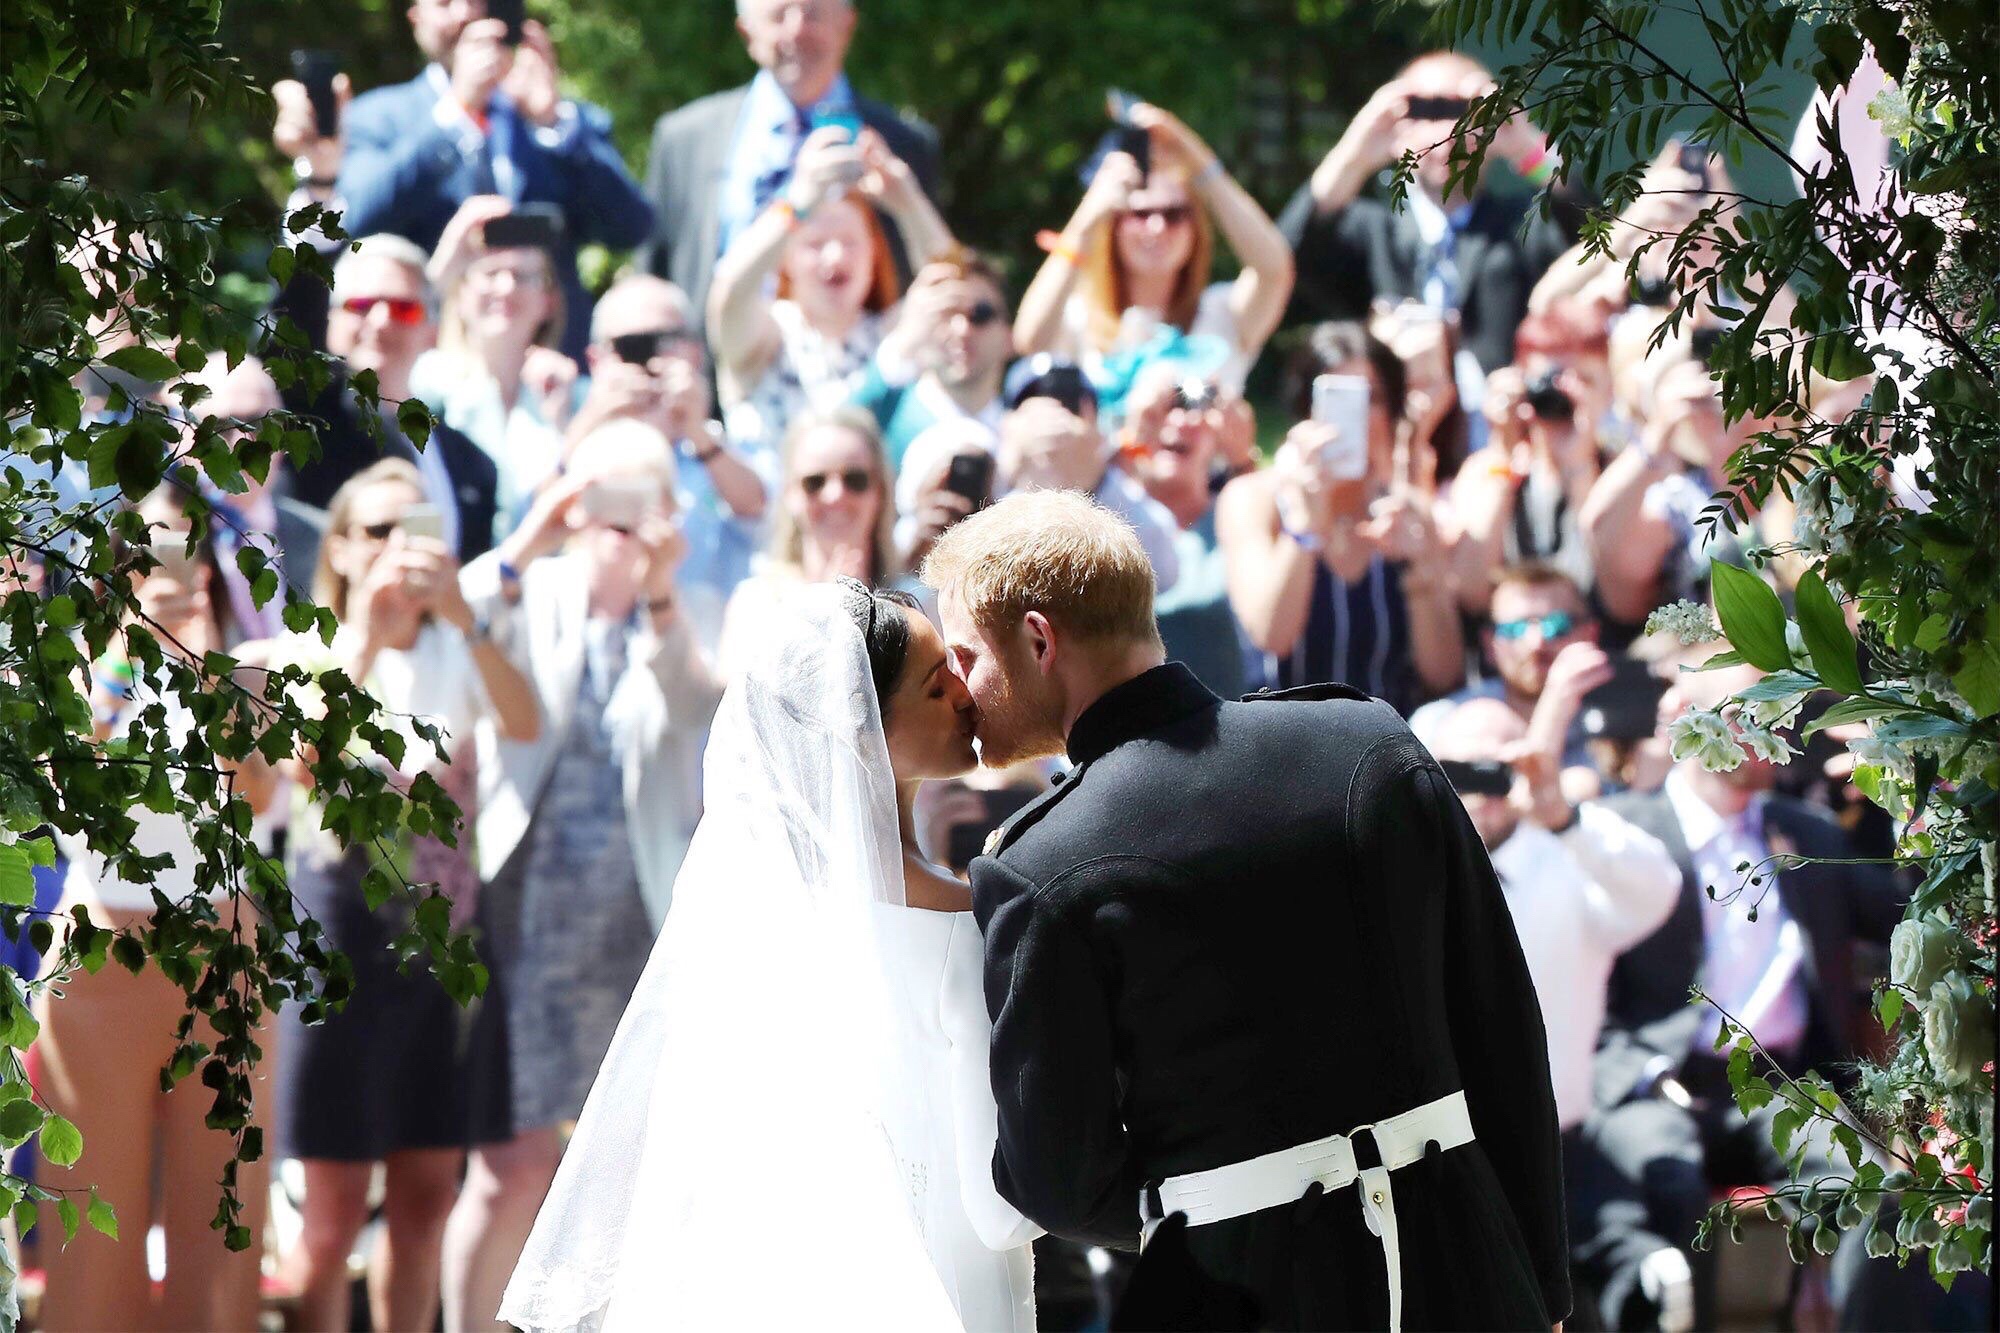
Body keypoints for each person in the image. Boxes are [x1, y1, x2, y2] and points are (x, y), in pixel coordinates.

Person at [921, 491, 1569, 1331]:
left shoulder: (1038, 863)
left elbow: (1059, 1178)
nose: (961, 689)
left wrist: (1216, 1200)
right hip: (1470, 1269)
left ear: (1040, 641)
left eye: (967, 656)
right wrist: (1543, 1284)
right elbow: (1503, 1026)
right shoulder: (1367, 741)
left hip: (1246, 1290)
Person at [499, 580, 1037, 1331]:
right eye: (934, 681)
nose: (963, 691)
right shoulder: (962, 923)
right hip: (946, 1287)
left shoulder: (747, 919)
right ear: (860, 726)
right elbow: (1002, 1207)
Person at [441, 421, 725, 1329]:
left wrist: (660, 594)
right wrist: (533, 534)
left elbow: (695, 704)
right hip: (523, 908)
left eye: (640, 500)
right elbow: (455, 615)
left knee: (627, 1167)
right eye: (603, 498)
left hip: (637, 917)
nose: (619, 522)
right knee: (510, 1164)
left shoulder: (686, 601)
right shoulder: (536, 586)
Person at [262, 458, 538, 1333]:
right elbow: (299, 763)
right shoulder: (314, 647)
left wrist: (464, 615)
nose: (399, 548)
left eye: (416, 529)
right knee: (331, 1213)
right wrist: (370, 637)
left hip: (446, 949)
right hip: (339, 943)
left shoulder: (459, 642)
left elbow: (525, 722)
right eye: (378, 530)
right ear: (340, 547)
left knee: (425, 1202)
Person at [1592, 642, 1907, 1328]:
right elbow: (1579, 989)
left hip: (1782, 1089)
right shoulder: (1619, 834)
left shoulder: (1809, 836)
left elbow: (1908, 917)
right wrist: (1635, 1074)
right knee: (1664, 1188)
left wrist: (1905, 798)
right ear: (1686, 716)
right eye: (1750, 713)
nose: (1774, 730)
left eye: (1781, 713)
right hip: (1661, 1085)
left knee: (1871, 1191)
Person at [35, 483, 276, 1332]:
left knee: (222, 1233)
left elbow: (257, 796)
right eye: (144, 551)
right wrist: (125, 657)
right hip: (104, 956)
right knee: (92, 1233)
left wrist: (206, 677)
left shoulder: (242, 672)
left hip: (225, 957)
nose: (164, 568)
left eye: (181, 548)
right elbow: (68, 784)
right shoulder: (68, 666)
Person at [1430, 698, 1692, 1332]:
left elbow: (1657, 889)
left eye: (1496, 771)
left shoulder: (1569, 858)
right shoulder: (1413, 866)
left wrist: (1560, 814)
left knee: (1642, 1273)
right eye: (1459, 772)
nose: (1480, 792)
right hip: (1445, 1162)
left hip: (1559, 1146)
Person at [330, 0, 652, 360]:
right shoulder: (377, 116)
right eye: (444, 3)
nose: (464, 14)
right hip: (428, 360)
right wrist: (456, 113)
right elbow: (355, 222)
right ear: (416, 18)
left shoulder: (559, 116)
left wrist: (552, 124)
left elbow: (631, 228)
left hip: (551, 360)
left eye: (475, 1)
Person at [636, 0, 939, 318]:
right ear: (747, 33)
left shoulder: (905, 146)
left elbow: (939, 282)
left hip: (873, 346)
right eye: (779, 15)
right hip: (717, 346)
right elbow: (650, 283)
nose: (797, 31)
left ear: (847, 25)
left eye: (813, 13)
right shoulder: (685, 139)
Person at [1215, 321, 1459, 714]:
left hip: (1385, 739)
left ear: (1393, 412)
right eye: (1338, 398)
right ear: (1305, 408)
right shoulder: (1254, 499)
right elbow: (1272, 635)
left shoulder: (1407, 513)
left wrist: (1420, 575)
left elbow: (1444, 674)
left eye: (1371, 398)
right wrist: (1305, 528)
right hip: (1281, 735)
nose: (1355, 417)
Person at [1281, 51, 1571, 374]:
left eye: (1464, 110)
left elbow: (1594, 238)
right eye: (1426, 111)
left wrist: (1527, 147)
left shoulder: (1522, 227)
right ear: (1399, 125)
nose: (1448, 130)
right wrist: (1354, 155)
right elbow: (1284, 258)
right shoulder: (1373, 233)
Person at [708, 125, 954, 466]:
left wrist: (908, 201)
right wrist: (794, 206)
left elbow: (953, 289)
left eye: (850, 242)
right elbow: (730, 291)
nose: (835, 257)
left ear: (873, 255)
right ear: (786, 260)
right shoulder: (767, 337)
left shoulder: (893, 334)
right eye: (815, 244)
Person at [1014, 101, 1292, 395]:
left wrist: (1199, 160)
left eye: (1174, 214)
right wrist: (1089, 215)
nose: (1157, 227)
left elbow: (1274, 269)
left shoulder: (1223, 312)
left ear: (1195, 230)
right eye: (1140, 214)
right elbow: (1031, 341)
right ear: (1114, 226)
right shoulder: (1082, 318)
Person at [284, 234, 501, 562]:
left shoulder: (471, 464)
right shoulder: (303, 430)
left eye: (403, 309)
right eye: (361, 306)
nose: (381, 320)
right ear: (331, 323)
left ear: (432, 331)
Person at [411, 198, 575, 528]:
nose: (506, 287)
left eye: (523, 276)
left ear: (548, 300)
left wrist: (563, 425)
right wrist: (445, 261)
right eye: (490, 273)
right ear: (460, 294)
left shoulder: (574, 394)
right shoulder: (427, 382)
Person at [1446, 307, 1610, 614]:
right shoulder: (1487, 469)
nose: (1565, 397)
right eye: (1550, 381)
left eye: (1584, 382)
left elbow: (1612, 591)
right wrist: (1504, 452)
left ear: (1610, 389)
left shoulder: (1622, 469)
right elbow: (1469, 591)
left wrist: (1580, 465)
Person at [717, 406, 900, 673]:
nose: (835, 495)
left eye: (855, 479)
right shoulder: (756, 604)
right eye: (815, 482)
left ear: (880, 490)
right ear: (790, 493)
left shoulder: (915, 603)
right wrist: (827, 613)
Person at [1408, 562, 1609, 791]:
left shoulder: (1615, 716)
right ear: (1489, 644)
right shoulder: (1439, 721)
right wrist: (1555, 704)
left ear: (1591, 634)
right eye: (1515, 629)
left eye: (1556, 625)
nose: (1536, 642)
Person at [997, 356, 1181, 592]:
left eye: (1070, 406)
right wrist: (1012, 474)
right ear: (1008, 421)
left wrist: (1095, 481)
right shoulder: (988, 475)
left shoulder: (1112, 486)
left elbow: (1166, 572)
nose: (1055, 421)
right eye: (1034, 406)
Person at [1122, 368, 1251, 698]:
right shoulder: (1107, 512)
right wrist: (1128, 440)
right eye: (1165, 409)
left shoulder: (1236, 513)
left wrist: (1242, 457)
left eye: (1195, 408)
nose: (1180, 422)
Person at [853, 251, 1015, 470]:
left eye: (980, 314)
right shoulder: (885, 417)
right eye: (945, 313)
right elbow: (829, 438)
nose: (962, 329)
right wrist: (904, 341)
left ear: (1008, 337)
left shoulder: (1025, 429)